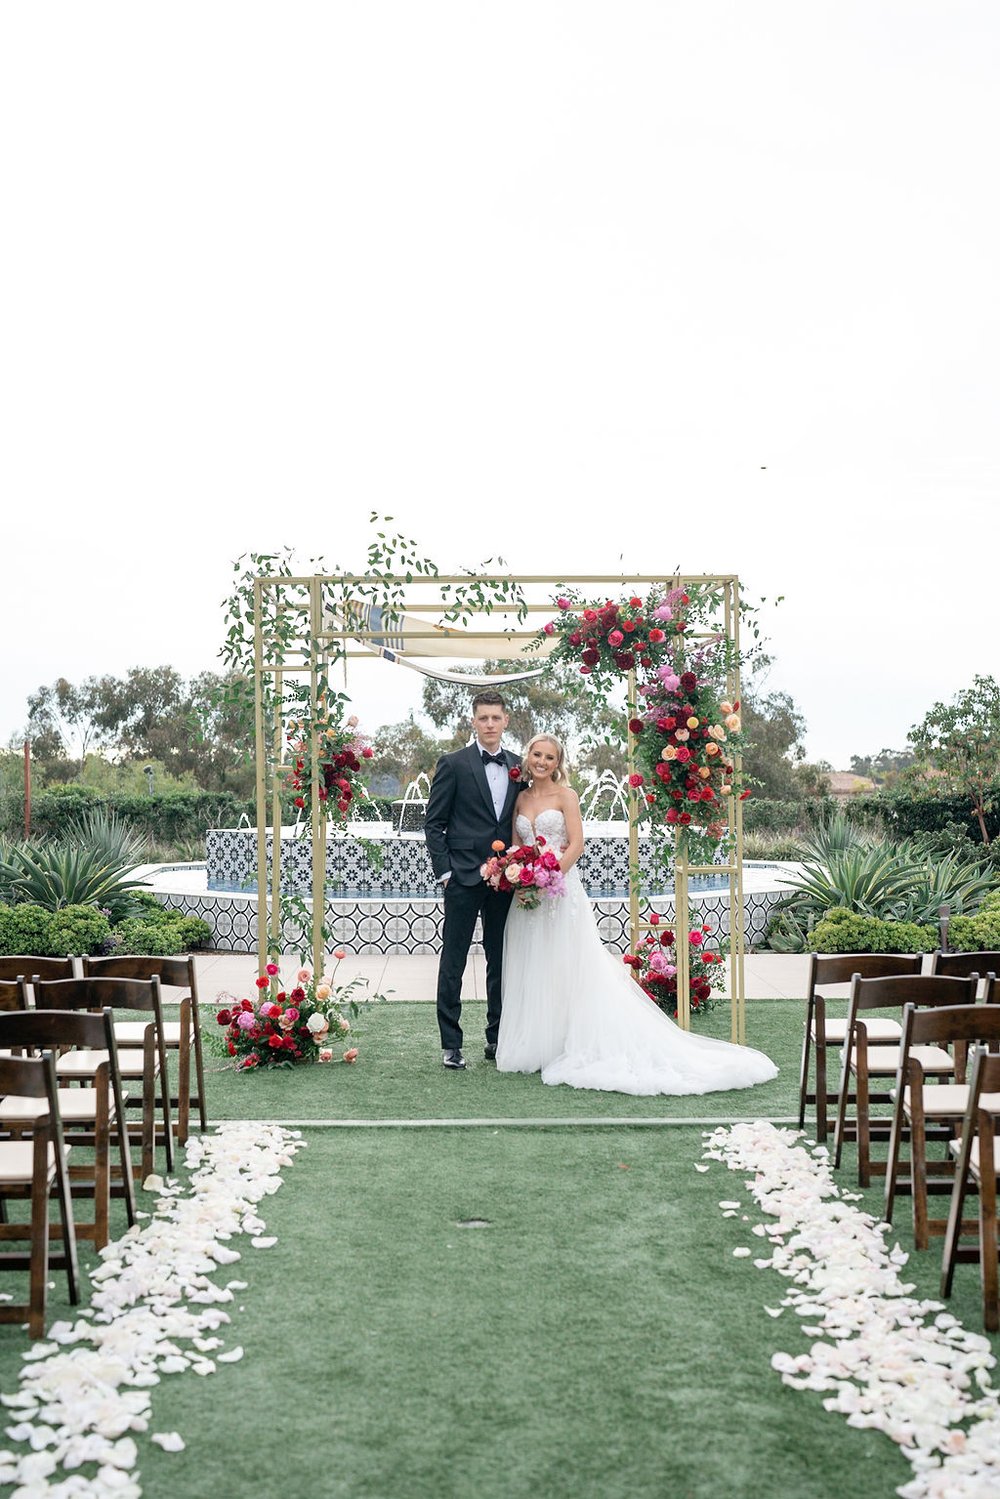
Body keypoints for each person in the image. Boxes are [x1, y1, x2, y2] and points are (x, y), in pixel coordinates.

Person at [495, 732, 778, 1095]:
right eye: (537, 754)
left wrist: (549, 877)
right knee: (533, 963)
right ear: (528, 756)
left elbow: (577, 843)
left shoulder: (566, 796)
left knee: (566, 963)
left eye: (550, 757)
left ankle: (567, 1041)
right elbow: (519, 846)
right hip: (527, 898)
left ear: (558, 763)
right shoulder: (519, 798)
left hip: (561, 892)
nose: (542, 762)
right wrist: (521, 874)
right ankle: (535, 1043)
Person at [424, 690, 523, 1069]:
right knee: (454, 961)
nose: (489, 724)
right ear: (473, 721)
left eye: (495, 718)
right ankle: (451, 1044)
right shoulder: (453, 763)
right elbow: (434, 824)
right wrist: (446, 872)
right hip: (462, 878)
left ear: (505, 720)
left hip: (507, 881)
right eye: (483, 718)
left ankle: (496, 1039)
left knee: (501, 962)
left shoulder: (519, 765)